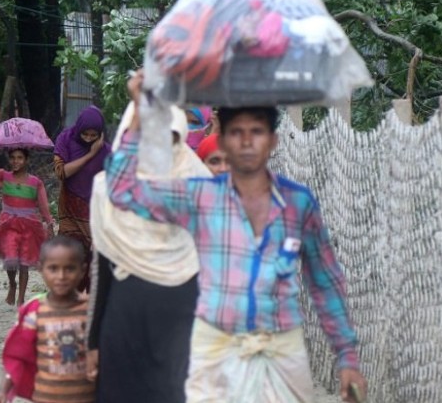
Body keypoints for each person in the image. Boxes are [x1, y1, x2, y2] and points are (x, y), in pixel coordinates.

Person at [105, 71, 367, 403]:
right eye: (236, 133)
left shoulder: (299, 204)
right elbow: (122, 190)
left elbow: (325, 283)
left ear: (273, 140)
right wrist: (141, 108)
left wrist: (347, 357)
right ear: (224, 140)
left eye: (256, 132)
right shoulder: (200, 197)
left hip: (282, 352)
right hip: (215, 348)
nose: (246, 142)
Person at [86, 104, 211, 403]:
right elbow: (100, 272)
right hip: (123, 322)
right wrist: (92, 342)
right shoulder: (107, 192)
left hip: (183, 324)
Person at [0, 236, 95, 403]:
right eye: (53, 269)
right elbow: (17, 355)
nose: (61, 276)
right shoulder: (34, 312)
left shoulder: (91, 310)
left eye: (70, 269)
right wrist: (3, 391)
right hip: (45, 396)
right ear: (41, 269)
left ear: (83, 270)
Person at [0, 147, 54, 307]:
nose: (16, 161)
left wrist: (49, 223)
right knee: (11, 258)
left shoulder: (36, 182)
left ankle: (21, 298)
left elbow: (43, 206)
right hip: (9, 224)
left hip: (29, 226)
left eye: (20, 158)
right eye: (12, 158)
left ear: (27, 160)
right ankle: (12, 284)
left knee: (25, 263)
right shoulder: (4, 176)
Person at [53, 106, 111, 291]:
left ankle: (87, 308)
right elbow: (61, 172)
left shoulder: (108, 153)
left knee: (93, 264)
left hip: (94, 214)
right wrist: (91, 154)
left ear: (100, 134)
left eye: (93, 135)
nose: (88, 138)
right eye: (85, 134)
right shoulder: (65, 139)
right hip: (70, 210)